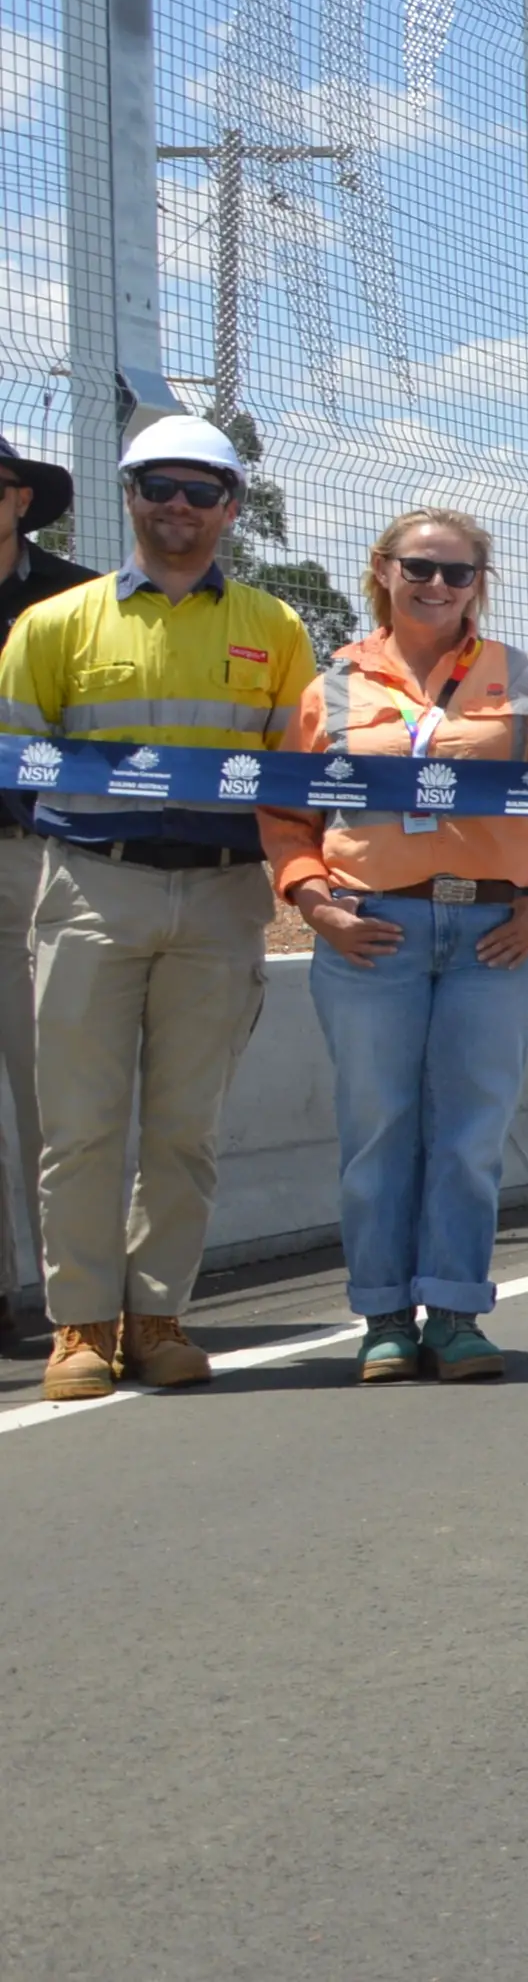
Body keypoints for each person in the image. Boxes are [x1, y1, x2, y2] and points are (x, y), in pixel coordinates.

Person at [0, 415, 316, 1402]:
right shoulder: (56, 623)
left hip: (224, 898)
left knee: (186, 1127)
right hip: (94, 884)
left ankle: (159, 1317)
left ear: (230, 505)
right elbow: (15, 763)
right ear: (126, 496)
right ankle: (80, 1326)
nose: (177, 507)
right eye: (157, 488)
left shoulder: (275, 627)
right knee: (80, 1125)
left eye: (200, 490)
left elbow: (298, 774)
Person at [261, 511, 528, 1383]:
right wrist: (312, 900)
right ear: (384, 570)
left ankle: (453, 1314)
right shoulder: (332, 686)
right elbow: (287, 812)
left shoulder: (524, 678)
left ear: (481, 581)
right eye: (420, 568)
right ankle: (382, 1319)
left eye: (458, 573)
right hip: (372, 931)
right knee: (378, 1129)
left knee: (470, 1132)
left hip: (496, 932)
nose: (437, 586)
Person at [0, 429, 91, 1357]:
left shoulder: (73, 599)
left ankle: (75, 1303)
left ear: (21, 498)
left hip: (38, 854)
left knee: (50, 1087)